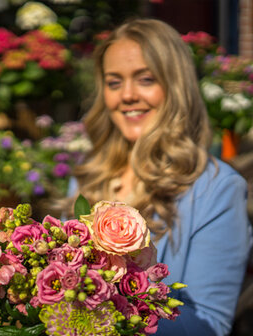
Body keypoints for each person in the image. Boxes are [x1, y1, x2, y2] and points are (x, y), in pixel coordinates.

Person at [64, 18, 253, 336]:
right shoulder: (88, 172)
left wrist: (105, 315)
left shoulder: (218, 190)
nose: (126, 95)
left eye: (145, 79)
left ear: (175, 86)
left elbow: (209, 324)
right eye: (113, 82)